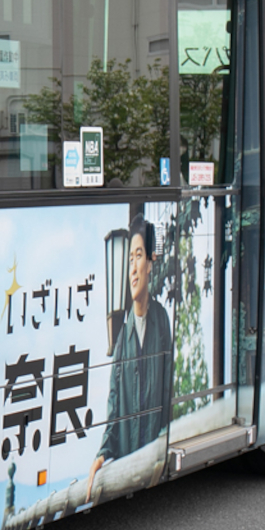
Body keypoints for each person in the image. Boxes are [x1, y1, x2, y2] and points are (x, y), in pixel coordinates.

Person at [85, 210, 173, 501]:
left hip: (154, 464)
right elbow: (114, 403)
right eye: (130, 259)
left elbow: (168, 392)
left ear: (151, 263)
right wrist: (103, 453)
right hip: (129, 469)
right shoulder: (122, 338)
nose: (133, 268)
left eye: (139, 256)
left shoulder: (161, 321)